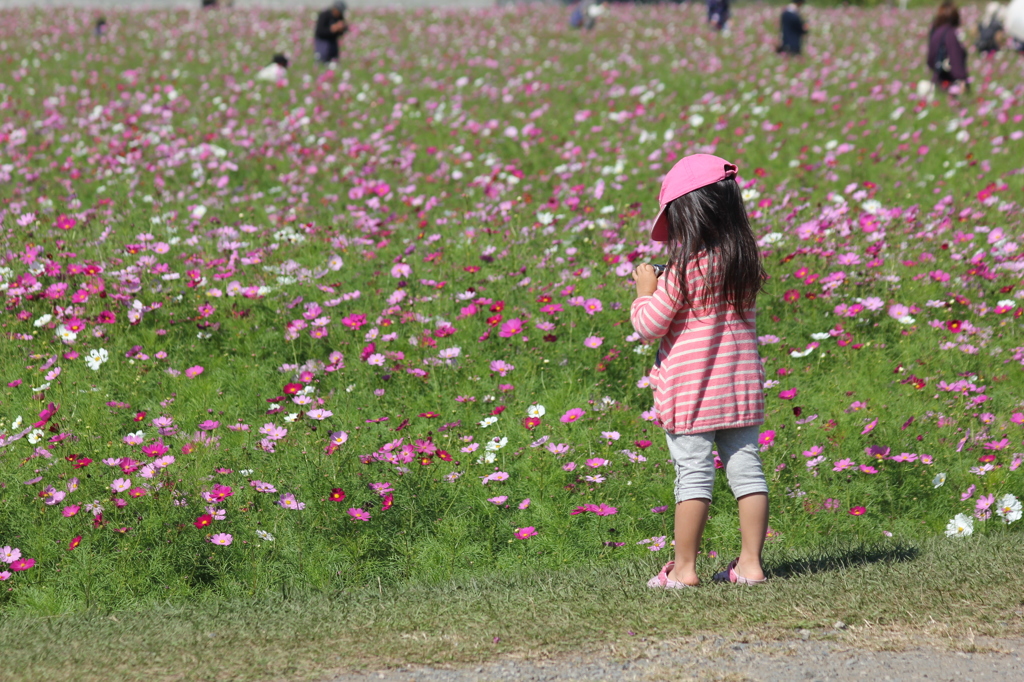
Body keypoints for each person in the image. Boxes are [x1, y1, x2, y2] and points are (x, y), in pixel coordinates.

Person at [631, 154, 769, 589]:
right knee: (748, 469)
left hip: (693, 393)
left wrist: (644, 291)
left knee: (693, 475)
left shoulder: (683, 271)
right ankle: (750, 565)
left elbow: (649, 325)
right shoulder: (744, 263)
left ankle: (684, 569)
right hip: (740, 388)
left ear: (687, 213)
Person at [927, 2, 968, 92]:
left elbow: (930, 60)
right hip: (950, 83)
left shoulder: (935, 32)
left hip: (938, 80)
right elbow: (955, 57)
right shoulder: (949, 33)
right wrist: (962, 80)